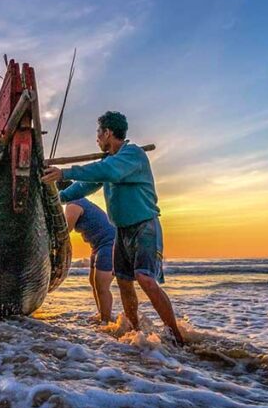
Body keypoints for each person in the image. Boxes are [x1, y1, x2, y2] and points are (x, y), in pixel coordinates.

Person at [42, 111, 186, 345]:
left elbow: (108, 171)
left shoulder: (132, 155)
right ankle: (136, 332)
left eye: (98, 134)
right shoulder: (108, 162)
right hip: (121, 231)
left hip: (144, 226)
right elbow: (85, 186)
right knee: (123, 281)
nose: (97, 139)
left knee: (144, 278)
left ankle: (177, 336)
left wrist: (64, 172)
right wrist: (56, 198)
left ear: (108, 132)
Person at [60, 188, 116, 322]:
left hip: (109, 243)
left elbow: (66, 229)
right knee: (94, 283)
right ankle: (102, 315)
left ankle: (106, 321)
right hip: (97, 246)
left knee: (102, 285)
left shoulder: (74, 204)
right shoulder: (80, 202)